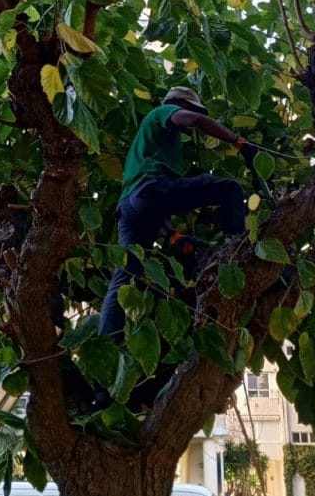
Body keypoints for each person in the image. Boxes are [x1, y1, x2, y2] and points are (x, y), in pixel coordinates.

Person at [98, 85, 260, 338]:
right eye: (191, 108)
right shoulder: (164, 111)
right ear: (180, 104)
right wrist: (238, 142)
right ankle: (236, 249)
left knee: (127, 276)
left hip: (131, 206)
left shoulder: (157, 142)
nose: (189, 122)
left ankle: (108, 342)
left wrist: (173, 236)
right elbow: (195, 119)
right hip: (150, 190)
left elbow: (152, 207)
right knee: (230, 190)